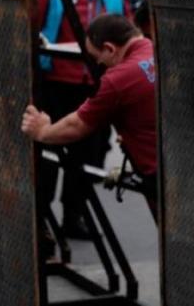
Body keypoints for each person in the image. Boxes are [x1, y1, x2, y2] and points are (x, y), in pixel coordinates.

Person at [36, 0, 131, 239]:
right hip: (56, 82)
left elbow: (128, 33)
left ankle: (74, 216)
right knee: (48, 152)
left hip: (97, 84)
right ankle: (42, 219)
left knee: (89, 155)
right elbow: (32, 24)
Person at [23, 15, 158, 219]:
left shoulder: (117, 79)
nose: (99, 63)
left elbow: (77, 125)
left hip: (156, 171)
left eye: (97, 58)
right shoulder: (153, 48)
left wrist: (42, 131)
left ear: (110, 49)